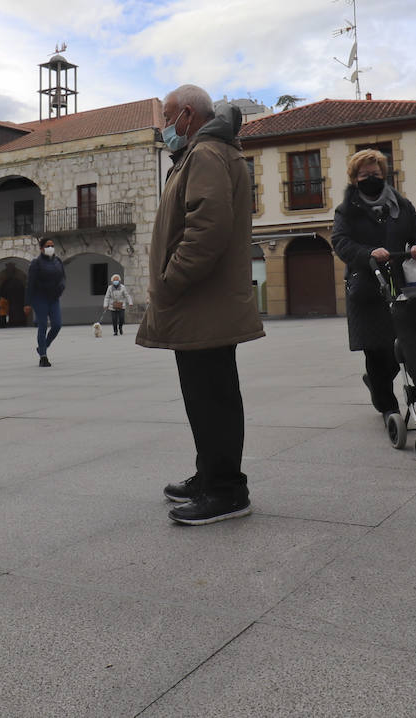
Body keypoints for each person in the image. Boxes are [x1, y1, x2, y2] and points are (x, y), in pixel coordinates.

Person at [137, 86, 264, 525]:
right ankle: (209, 475)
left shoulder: (206, 154)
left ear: (187, 115)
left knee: (212, 398)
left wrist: (170, 281)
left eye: (167, 116)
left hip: (200, 301)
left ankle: (227, 491)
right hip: (200, 303)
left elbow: (206, 228)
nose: (164, 126)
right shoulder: (202, 153)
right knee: (207, 396)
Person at [331, 148, 416, 418]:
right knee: (378, 353)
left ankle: (379, 385)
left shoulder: (402, 206)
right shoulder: (346, 211)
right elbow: (340, 242)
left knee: (405, 346)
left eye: (375, 174)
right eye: (364, 175)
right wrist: (368, 253)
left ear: (384, 175)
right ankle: (387, 406)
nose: (370, 178)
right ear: (355, 179)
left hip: (402, 286)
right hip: (367, 289)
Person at [24, 236, 65, 366]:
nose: (50, 248)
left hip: (54, 298)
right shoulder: (36, 263)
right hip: (39, 298)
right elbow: (30, 283)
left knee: (57, 325)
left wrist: (61, 288)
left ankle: (43, 346)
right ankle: (43, 356)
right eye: (47, 246)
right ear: (41, 248)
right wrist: (27, 303)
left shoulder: (58, 261)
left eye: (52, 245)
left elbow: (63, 277)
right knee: (42, 325)